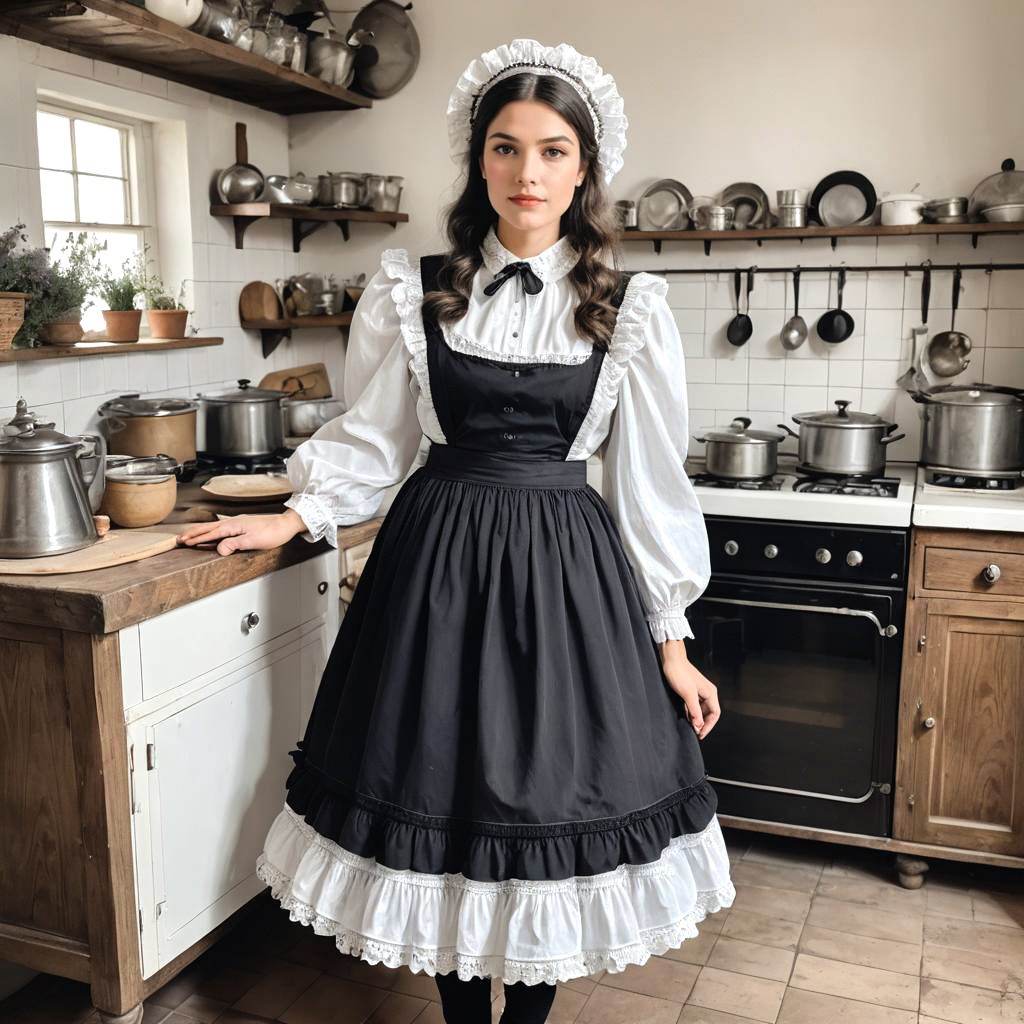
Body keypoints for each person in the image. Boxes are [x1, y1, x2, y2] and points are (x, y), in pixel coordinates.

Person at [177, 37, 734, 1024]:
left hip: (567, 582)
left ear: (584, 167)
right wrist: (298, 511)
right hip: (433, 573)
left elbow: (650, 487)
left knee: (549, 807)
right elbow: (375, 439)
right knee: (437, 801)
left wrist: (672, 642)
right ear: (478, 159)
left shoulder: (631, 307)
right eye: (507, 147)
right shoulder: (410, 287)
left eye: (554, 149)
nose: (528, 172)